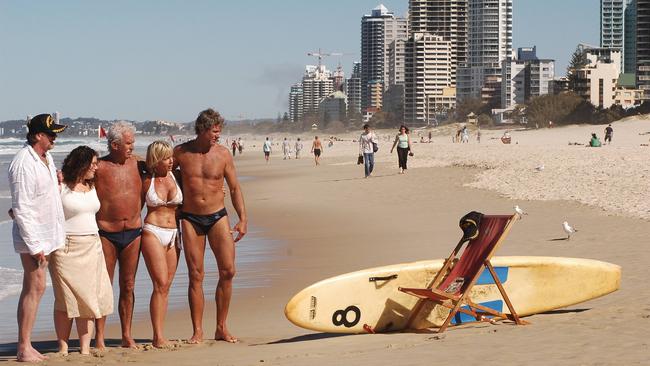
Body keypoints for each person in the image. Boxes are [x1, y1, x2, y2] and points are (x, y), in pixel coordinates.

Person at [173, 108, 247, 344]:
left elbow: (234, 188)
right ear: (203, 129)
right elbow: (161, 173)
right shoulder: (181, 153)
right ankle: (197, 331)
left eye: (219, 131)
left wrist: (243, 218)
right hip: (190, 218)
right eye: (215, 131)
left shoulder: (223, 154)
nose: (218, 135)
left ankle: (221, 327)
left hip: (217, 216)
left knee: (228, 270)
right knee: (196, 275)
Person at [9, 114, 67, 362]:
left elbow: (44, 196)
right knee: (35, 288)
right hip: (33, 237)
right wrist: (34, 246)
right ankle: (24, 347)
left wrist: (58, 182)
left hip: (47, 232)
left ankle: (26, 344)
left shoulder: (45, 157)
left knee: (35, 288)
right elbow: (21, 208)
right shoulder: (23, 163)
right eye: (50, 133)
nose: (54, 137)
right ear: (37, 136)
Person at [50, 146, 113, 355]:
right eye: (93, 164)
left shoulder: (92, 185)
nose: (96, 167)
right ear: (81, 164)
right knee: (65, 298)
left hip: (92, 246)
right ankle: (63, 347)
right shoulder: (60, 185)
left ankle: (85, 348)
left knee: (88, 297)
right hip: (65, 248)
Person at [94, 121, 145, 349]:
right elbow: (71, 180)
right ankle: (100, 337)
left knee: (129, 284)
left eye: (133, 142)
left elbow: (168, 169)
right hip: (106, 233)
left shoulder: (139, 165)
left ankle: (126, 334)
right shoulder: (99, 167)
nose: (132, 147)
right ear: (114, 145)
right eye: (128, 143)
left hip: (133, 233)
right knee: (104, 285)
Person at [141, 141, 182, 348]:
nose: (171, 161)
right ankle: (157, 337)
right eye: (166, 158)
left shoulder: (176, 176)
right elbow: (132, 204)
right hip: (152, 232)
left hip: (174, 234)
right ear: (156, 160)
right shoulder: (146, 180)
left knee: (166, 287)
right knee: (160, 284)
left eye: (171, 157)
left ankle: (161, 334)